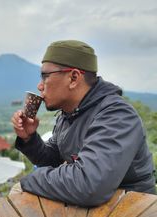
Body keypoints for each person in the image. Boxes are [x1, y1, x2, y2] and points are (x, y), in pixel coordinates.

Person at [11, 40, 156, 207]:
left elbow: (89, 185)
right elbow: (52, 159)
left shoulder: (116, 115)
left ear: (73, 78)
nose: (40, 85)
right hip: (97, 215)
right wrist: (29, 139)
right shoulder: (68, 115)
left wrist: (27, 181)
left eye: (46, 76)